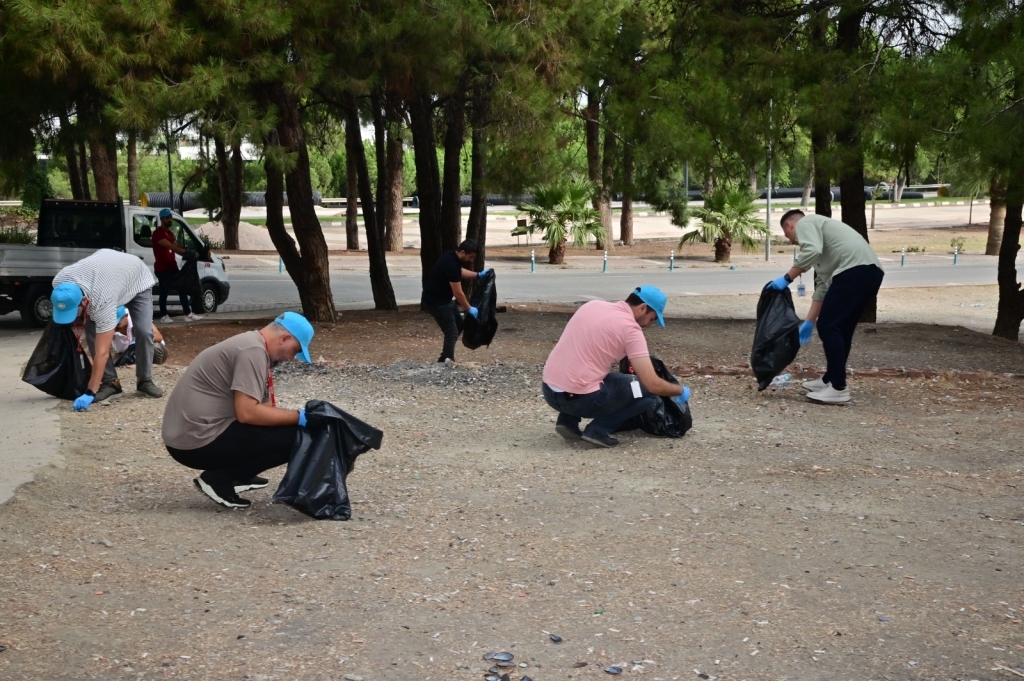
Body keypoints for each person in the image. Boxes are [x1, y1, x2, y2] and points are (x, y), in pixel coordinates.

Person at [161, 312, 315, 509]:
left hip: (189, 435)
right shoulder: (252, 351)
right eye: (295, 350)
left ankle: (240, 476)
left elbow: (265, 409)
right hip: (193, 443)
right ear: (284, 338)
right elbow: (248, 413)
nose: (292, 358)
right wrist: (300, 417)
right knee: (297, 436)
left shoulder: (254, 346)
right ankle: (219, 479)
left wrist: (293, 419)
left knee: (283, 431)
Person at [541, 286, 691, 448]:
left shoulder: (592, 306)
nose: (648, 325)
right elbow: (652, 383)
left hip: (549, 391)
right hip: (578, 400)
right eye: (652, 319)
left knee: (589, 373)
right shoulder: (631, 330)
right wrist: (679, 390)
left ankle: (567, 421)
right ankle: (598, 430)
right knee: (647, 393)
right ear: (642, 308)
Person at [768, 209, 885, 404]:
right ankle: (830, 379)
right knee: (841, 329)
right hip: (870, 274)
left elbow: (811, 250)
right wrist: (808, 322)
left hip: (855, 271)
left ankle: (838, 388)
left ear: (790, 225)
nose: (791, 241)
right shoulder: (824, 253)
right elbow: (823, 288)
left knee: (829, 327)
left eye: (788, 236)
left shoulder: (806, 223)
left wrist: (787, 278)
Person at [51, 249, 164, 408]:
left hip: (137, 279)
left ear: (84, 301)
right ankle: (111, 383)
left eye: (74, 313)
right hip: (108, 276)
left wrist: (90, 392)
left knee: (144, 331)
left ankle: (145, 380)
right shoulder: (59, 283)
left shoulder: (102, 300)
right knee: (92, 329)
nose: (73, 319)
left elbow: (103, 352)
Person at [421, 239, 492, 363]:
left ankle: (444, 357)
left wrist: (477, 275)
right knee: (452, 332)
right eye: (470, 257)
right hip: (436, 301)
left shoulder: (452, 256)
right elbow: (458, 293)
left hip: (444, 299)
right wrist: (469, 308)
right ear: (463, 252)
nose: (471, 260)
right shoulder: (451, 263)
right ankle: (447, 360)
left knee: (459, 325)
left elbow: (459, 272)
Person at [152, 207, 201, 323]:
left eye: (171, 217)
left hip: (172, 266)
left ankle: (187, 314)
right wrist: (186, 253)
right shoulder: (158, 234)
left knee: (181, 288)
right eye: (168, 218)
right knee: (164, 291)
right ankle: (164, 316)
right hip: (162, 268)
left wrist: (187, 251)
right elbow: (170, 246)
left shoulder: (169, 233)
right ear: (162, 219)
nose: (170, 220)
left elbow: (176, 245)